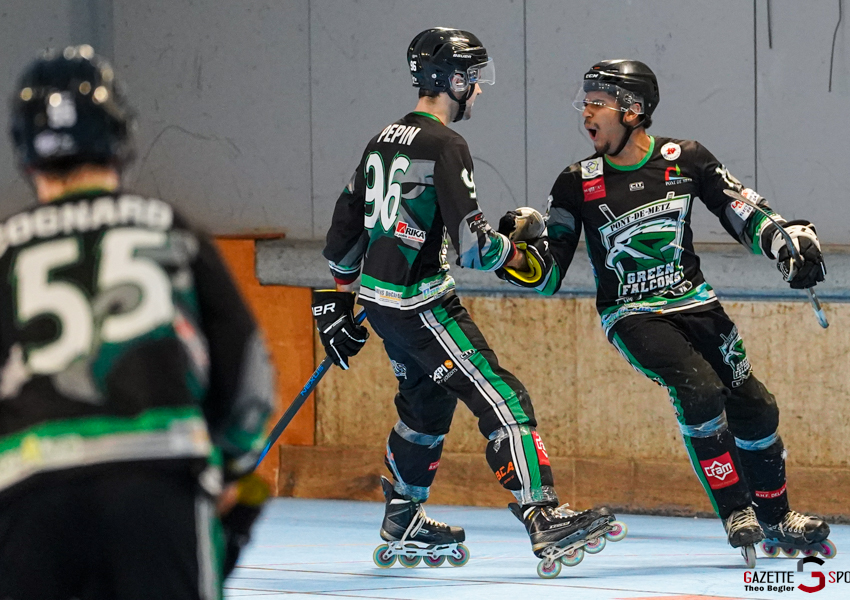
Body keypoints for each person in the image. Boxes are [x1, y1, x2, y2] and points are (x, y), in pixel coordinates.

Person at [495, 59, 834, 567]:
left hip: (697, 303)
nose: (585, 112)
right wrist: (508, 253)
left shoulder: (686, 158)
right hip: (631, 314)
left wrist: (787, 242)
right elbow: (548, 275)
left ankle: (776, 517)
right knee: (699, 389)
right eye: (585, 102)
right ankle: (736, 510)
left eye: (597, 102)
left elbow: (743, 212)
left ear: (632, 110)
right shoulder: (575, 182)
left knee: (756, 406)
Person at [314, 28, 626, 578]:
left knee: (425, 407)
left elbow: (344, 233)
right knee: (503, 398)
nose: (478, 90)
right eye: (474, 79)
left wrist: (337, 303)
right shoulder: (446, 144)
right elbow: (475, 248)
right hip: (422, 305)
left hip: (381, 305)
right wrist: (518, 244)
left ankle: (403, 518)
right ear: (453, 80)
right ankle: (542, 514)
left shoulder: (381, 140)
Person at [0, 46, 274, 599]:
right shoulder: (170, 229)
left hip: (32, 497)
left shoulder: (4, 248)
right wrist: (231, 467)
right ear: (120, 137)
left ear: (25, 152)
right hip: (159, 485)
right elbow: (247, 369)